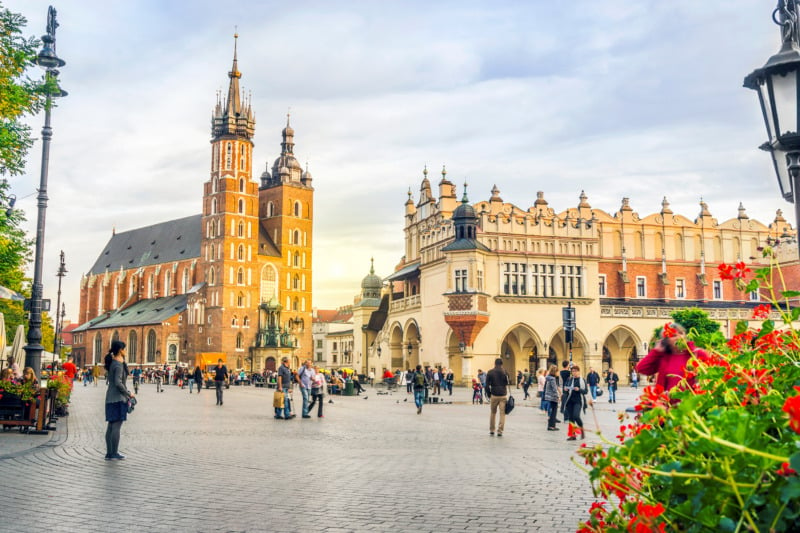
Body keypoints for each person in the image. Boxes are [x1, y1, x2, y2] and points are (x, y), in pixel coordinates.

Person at [636, 322, 708, 394]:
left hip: (694, 401)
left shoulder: (696, 353)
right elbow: (642, 368)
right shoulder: (663, 357)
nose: (679, 337)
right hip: (668, 403)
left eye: (681, 333)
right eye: (673, 335)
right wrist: (656, 351)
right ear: (666, 341)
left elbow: (710, 376)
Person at [104, 340, 133, 460]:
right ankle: (114, 453)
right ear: (120, 350)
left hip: (110, 398)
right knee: (116, 426)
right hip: (118, 399)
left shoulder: (113, 363)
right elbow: (118, 382)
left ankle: (109, 453)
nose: (126, 351)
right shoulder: (118, 365)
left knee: (111, 426)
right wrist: (129, 394)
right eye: (124, 349)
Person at [562, 365, 590, 441]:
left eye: (575, 371)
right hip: (570, 400)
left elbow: (586, 391)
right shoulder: (570, 379)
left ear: (578, 371)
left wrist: (579, 389)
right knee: (571, 418)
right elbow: (565, 388)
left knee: (576, 416)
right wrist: (566, 389)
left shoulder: (582, 380)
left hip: (578, 400)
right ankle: (573, 435)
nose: (574, 373)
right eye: (572, 371)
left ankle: (582, 429)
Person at [486, 358, 510, 436]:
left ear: (495, 363)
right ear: (502, 364)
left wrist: (489, 394)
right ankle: (500, 431)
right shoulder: (505, 372)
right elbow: (508, 382)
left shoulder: (490, 372)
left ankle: (492, 430)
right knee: (502, 413)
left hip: (494, 394)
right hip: (503, 394)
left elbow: (486, 385)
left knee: (493, 413)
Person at [543, 365, 561, 431]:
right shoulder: (553, 379)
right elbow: (554, 389)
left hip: (548, 396)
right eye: (557, 371)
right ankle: (552, 426)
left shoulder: (548, 378)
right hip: (553, 397)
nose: (558, 373)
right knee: (554, 412)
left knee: (551, 412)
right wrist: (558, 397)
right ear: (555, 372)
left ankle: (550, 426)